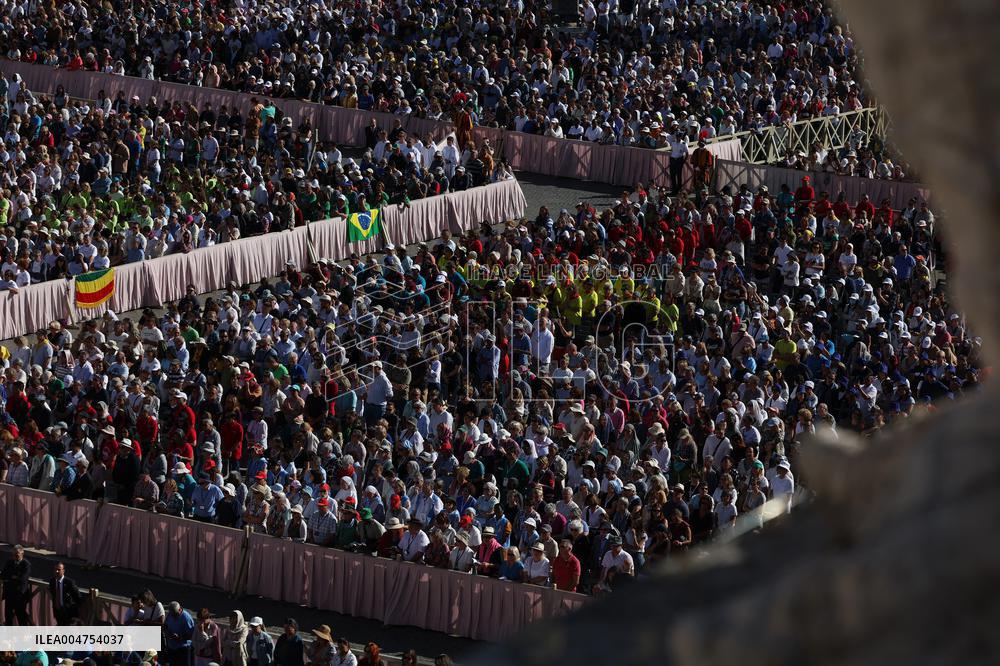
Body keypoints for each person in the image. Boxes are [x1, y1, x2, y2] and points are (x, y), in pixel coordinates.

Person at [1, 545, 32, 625]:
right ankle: (9, 635)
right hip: (9, 593)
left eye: (17, 553)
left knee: (21, 616)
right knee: (8, 616)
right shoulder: (9, 562)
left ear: (22, 553)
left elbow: (23, 578)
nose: (15, 555)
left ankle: (23, 635)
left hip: (20, 595)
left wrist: (11, 576)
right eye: (14, 554)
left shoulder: (26, 564)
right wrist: (14, 576)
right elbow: (3, 575)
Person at [164, 601, 196, 666]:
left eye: (175, 614)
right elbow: (166, 625)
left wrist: (179, 637)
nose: (173, 616)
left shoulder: (186, 618)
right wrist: (168, 632)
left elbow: (191, 634)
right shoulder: (171, 614)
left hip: (183, 648)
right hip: (172, 647)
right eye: (172, 614)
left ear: (180, 609)